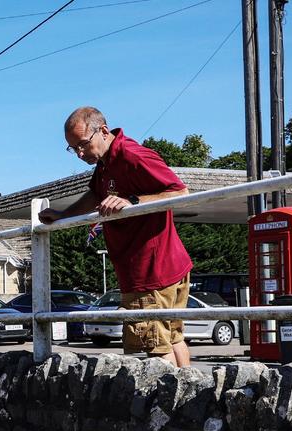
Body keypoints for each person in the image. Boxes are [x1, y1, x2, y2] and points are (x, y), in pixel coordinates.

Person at [39, 106, 193, 367]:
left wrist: (132, 201)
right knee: (173, 338)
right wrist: (63, 215)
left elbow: (181, 192)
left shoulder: (131, 155)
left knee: (155, 345)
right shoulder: (105, 163)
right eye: (72, 148)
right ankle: (188, 401)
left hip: (150, 271)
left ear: (103, 131)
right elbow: (95, 195)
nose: (79, 153)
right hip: (160, 267)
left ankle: (165, 406)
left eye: (82, 145)